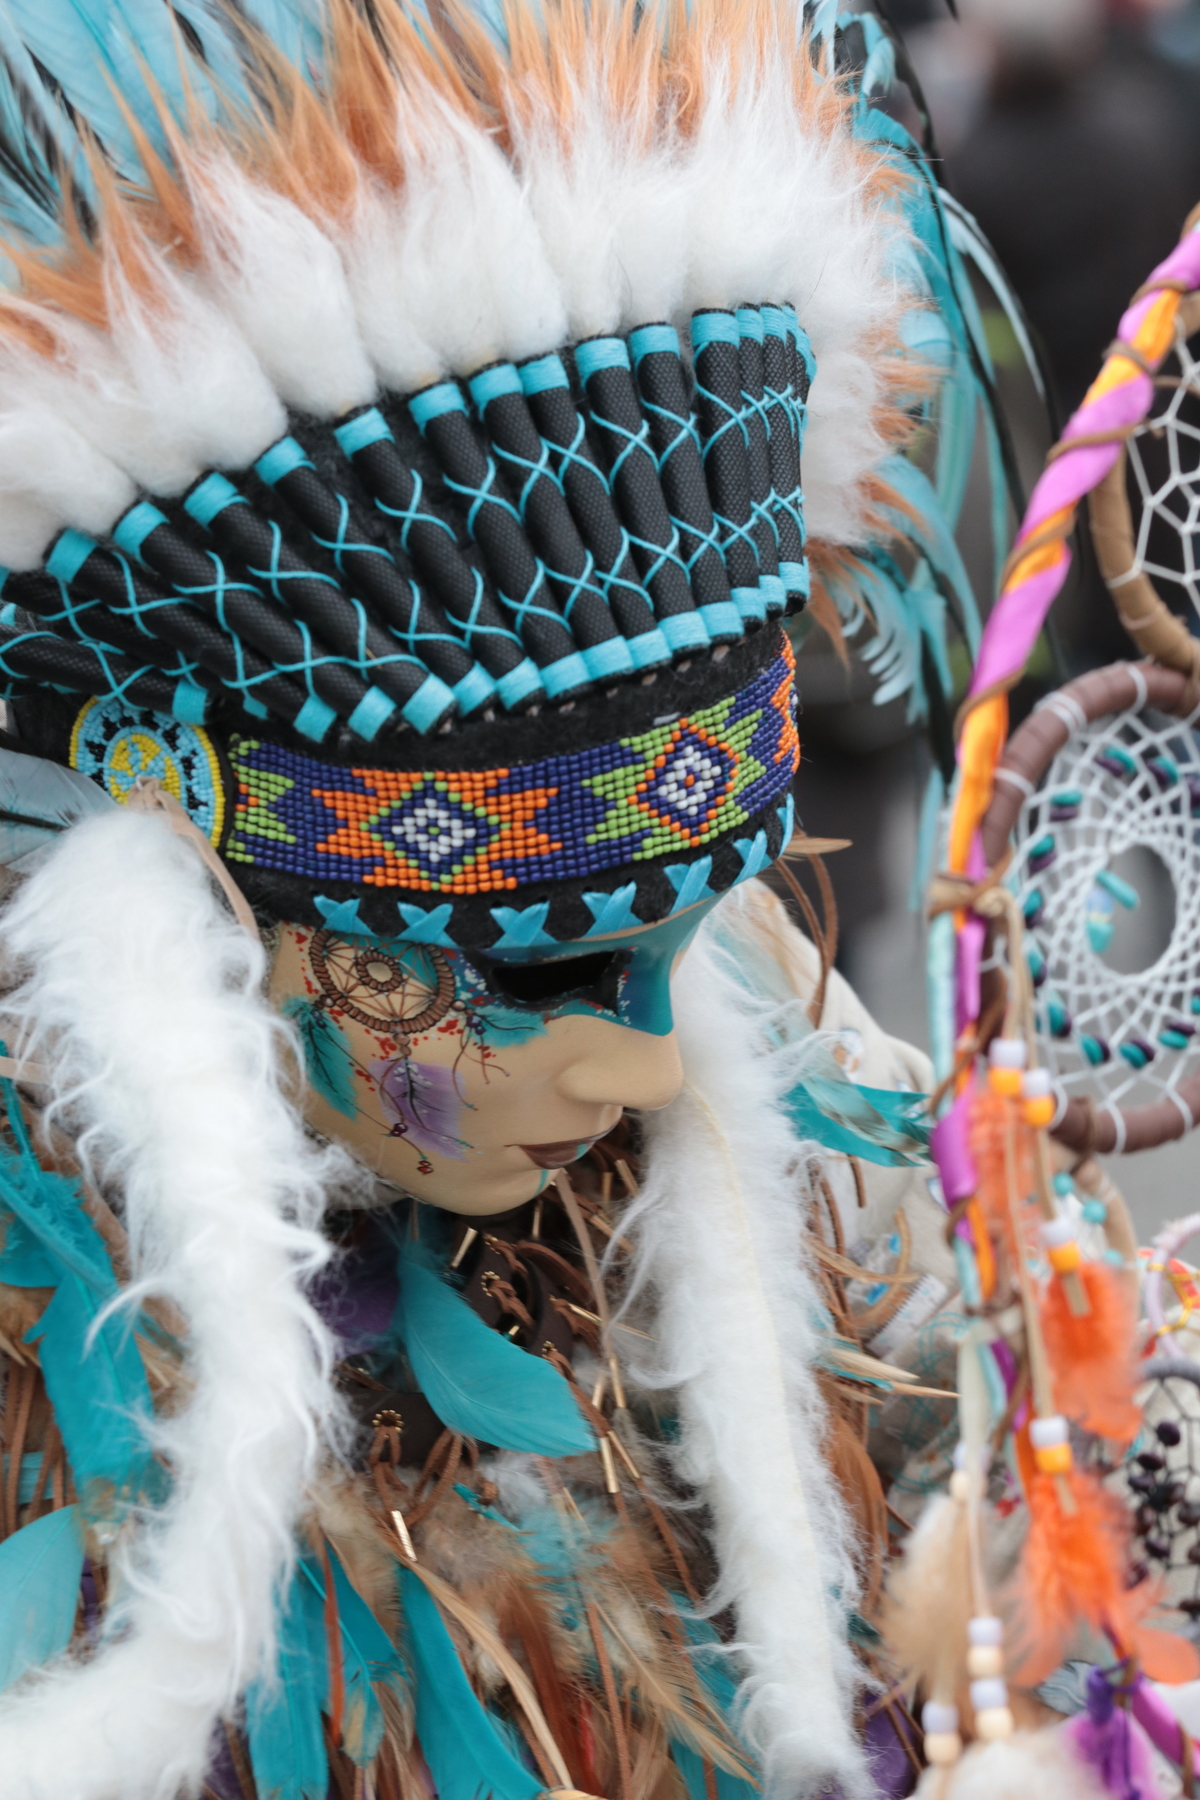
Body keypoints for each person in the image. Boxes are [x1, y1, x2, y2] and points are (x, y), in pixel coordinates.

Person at [0, 4, 980, 1796]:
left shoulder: (762, 1020)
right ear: (190, 883)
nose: (649, 1066)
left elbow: (969, 1365)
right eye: (540, 973)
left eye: (683, 940)